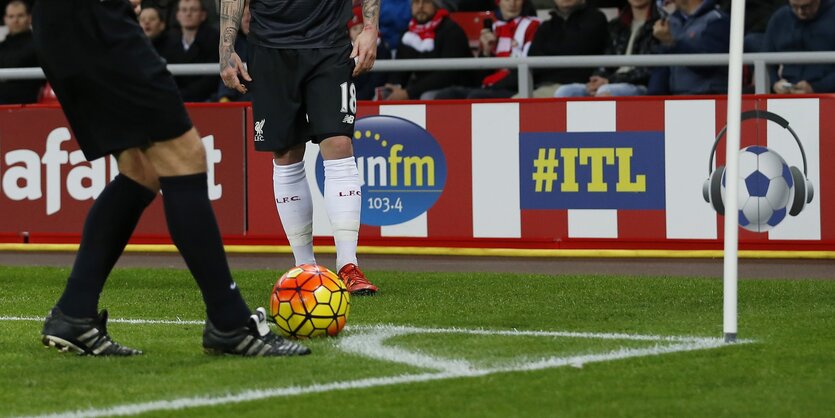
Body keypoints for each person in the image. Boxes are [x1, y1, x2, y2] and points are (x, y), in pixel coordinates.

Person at [31, 0, 309, 357]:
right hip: (93, 19)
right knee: (184, 156)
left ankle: (74, 313)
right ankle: (229, 321)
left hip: (65, 24)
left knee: (141, 170)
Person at [220, 0, 381, 295]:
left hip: (330, 44)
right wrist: (225, 48)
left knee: (339, 143)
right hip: (269, 49)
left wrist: (371, 28)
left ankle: (348, 265)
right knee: (286, 153)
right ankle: (305, 268)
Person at [434, 0, 541, 99]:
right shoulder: (493, 28)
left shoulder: (534, 26)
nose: (512, 3)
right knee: (446, 95)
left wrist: (493, 86)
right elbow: (477, 79)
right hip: (491, 86)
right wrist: (485, 52)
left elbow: (529, 69)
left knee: (477, 96)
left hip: (515, 87)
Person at [554, 0, 659, 97]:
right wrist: (596, 79)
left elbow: (649, 70)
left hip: (639, 85)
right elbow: (605, 59)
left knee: (605, 91)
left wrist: (609, 80)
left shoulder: (661, 24)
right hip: (610, 82)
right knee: (564, 92)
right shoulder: (616, 25)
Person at [383, 0, 475, 100]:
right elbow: (399, 70)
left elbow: (447, 75)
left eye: (426, 2)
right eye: (416, 2)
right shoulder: (408, 33)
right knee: (384, 95)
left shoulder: (452, 31)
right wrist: (392, 88)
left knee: (427, 97)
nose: (420, 6)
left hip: (454, 89)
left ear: (437, 6)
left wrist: (408, 93)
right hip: (418, 89)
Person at [526, 0, 609, 98]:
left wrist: (550, 55)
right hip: (540, 86)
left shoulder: (596, 19)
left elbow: (578, 49)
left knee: (517, 105)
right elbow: (533, 60)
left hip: (578, 87)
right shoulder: (546, 27)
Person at [649, 0, 730, 95]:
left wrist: (672, 43)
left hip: (708, 98)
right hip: (675, 99)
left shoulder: (717, 19)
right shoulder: (671, 21)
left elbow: (708, 64)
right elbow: (663, 67)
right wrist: (653, 99)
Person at [762, 0, 835, 94]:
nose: (800, 11)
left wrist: (817, 88)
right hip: (786, 89)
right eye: (794, 7)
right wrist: (775, 83)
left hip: (828, 92)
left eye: (806, 6)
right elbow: (765, 60)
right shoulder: (780, 18)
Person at [159, 0, 220, 102]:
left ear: (203, 15)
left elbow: (211, 79)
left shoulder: (214, 39)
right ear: (178, 15)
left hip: (207, 99)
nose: (188, 14)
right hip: (174, 98)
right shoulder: (167, 41)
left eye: (193, 10)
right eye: (184, 10)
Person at [0, 0, 42, 104]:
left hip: (28, 106)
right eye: (11, 16)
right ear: (5, 19)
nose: (15, 20)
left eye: (20, 15)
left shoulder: (39, 47)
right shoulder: (2, 48)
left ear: (29, 18)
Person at [348, 5, 393, 100]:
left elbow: (377, 80)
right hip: (351, 98)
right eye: (355, 28)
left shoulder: (381, 49)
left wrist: (358, 98)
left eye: (362, 28)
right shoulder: (346, 51)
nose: (359, 31)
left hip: (372, 98)